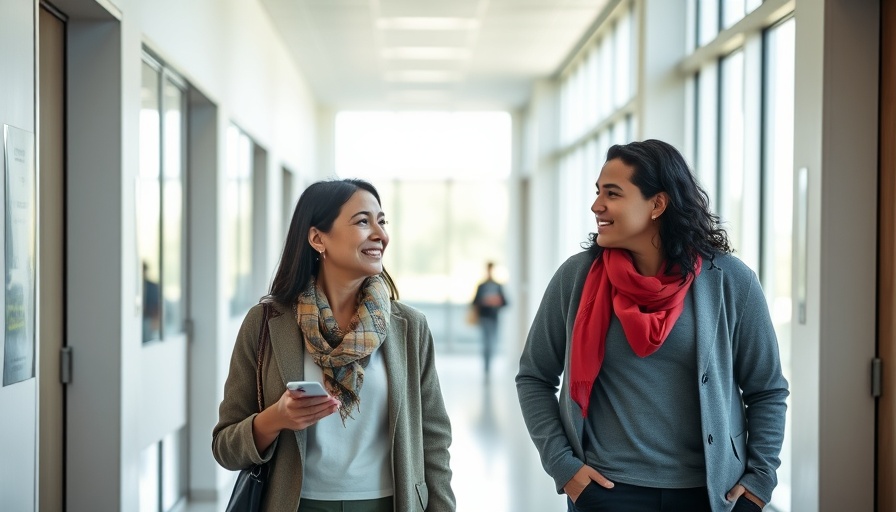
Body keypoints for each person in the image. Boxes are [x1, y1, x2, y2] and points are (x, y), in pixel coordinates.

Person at [515, 139, 788, 512]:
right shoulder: (576, 279)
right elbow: (534, 376)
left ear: (657, 204)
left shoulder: (730, 282)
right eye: (598, 193)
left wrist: (759, 482)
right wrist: (566, 469)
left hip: (709, 495)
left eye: (612, 194)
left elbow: (767, 389)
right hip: (606, 491)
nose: (597, 206)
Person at [213, 178, 456, 512]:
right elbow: (225, 446)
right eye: (362, 221)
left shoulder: (409, 328)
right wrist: (276, 418)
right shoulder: (265, 324)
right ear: (317, 238)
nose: (380, 235)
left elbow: (434, 439)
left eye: (382, 222)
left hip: (389, 503)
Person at [471, 261, 507, 377]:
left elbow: (506, 302)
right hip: (484, 317)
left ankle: (489, 364)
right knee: (486, 342)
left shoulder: (498, 286)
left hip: (494, 317)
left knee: (492, 341)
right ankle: (486, 366)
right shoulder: (481, 286)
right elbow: (474, 302)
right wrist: (484, 301)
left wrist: (496, 301)